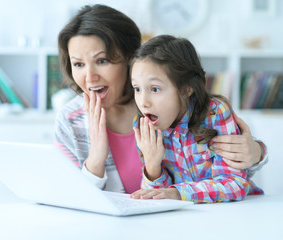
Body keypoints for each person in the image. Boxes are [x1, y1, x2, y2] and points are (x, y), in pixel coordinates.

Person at [54, 4, 267, 194]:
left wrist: (257, 152)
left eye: (102, 60)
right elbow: (69, 198)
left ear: (130, 60)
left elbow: (228, 173)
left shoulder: (162, 107)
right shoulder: (70, 120)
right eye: (78, 64)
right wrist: (96, 158)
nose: (89, 77)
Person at [130, 35, 264, 203]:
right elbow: (155, 200)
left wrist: (178, 193)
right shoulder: (142, 125)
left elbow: (234, 184)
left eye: (155, 89)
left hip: (237, 212)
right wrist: (152, 166)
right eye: (137, 88)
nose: (143, 102)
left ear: (186, 88)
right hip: (186, 218)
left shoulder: (215, 113)